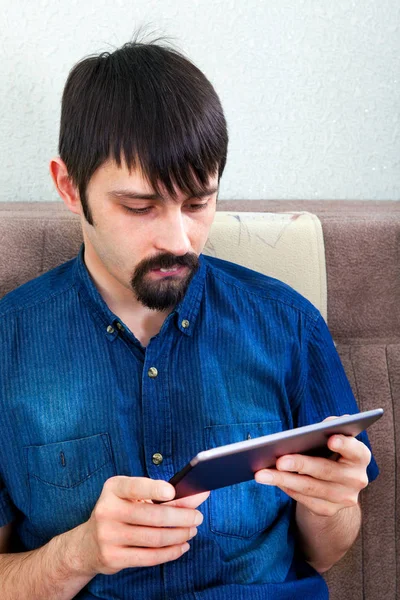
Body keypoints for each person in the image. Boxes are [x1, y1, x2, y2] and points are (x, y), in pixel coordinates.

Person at [0, 34, 378, 600]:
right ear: (69, 187)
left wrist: (335, 505)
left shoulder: (286, 324)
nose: (179, 240)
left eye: (198, 202)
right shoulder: (9, 342)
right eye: (140, 206)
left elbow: (325, 552)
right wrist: (80, 552)